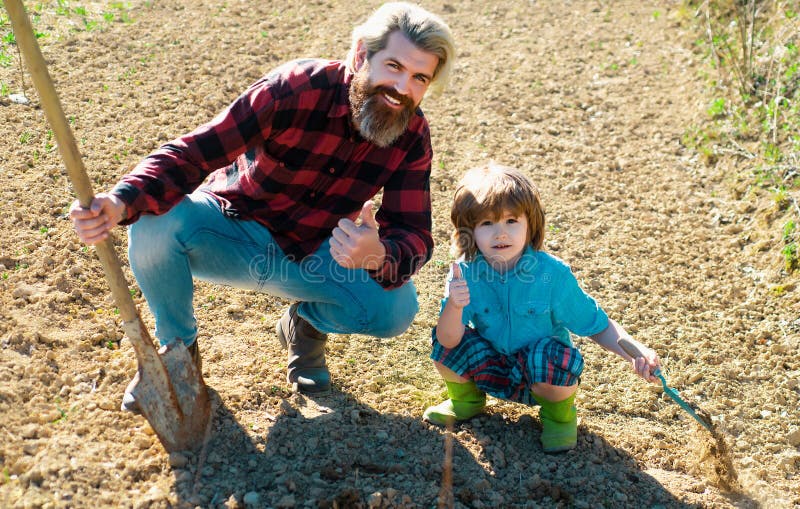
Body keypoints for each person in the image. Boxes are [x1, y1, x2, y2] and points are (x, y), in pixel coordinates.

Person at [68, 2, 455, 407]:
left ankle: (304, 327)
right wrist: (120, 200)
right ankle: (178, 357)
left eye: (419, 78)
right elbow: (195, 153)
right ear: (361, 54)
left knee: (396, 308)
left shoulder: (412, 135)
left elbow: (414, 233)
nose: (402, 88)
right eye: (393, 66)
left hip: (311, 255)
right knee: (153, 222)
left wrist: (378, 254)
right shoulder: (296, 88)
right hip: (229, 231)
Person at [423, 163, 661, 453]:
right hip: (492, 367)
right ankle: (466, 400)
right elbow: (448, 342)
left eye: (511, 220)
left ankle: (559, 418)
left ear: (530, 224)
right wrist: (455, 305)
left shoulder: (552, 275)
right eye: (487, 224)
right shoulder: (466, 273)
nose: (500, 233)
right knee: (444, 336)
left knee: (548, 354)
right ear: (469, 232)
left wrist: (637, 352)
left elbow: (596, 324)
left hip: (540, 374)